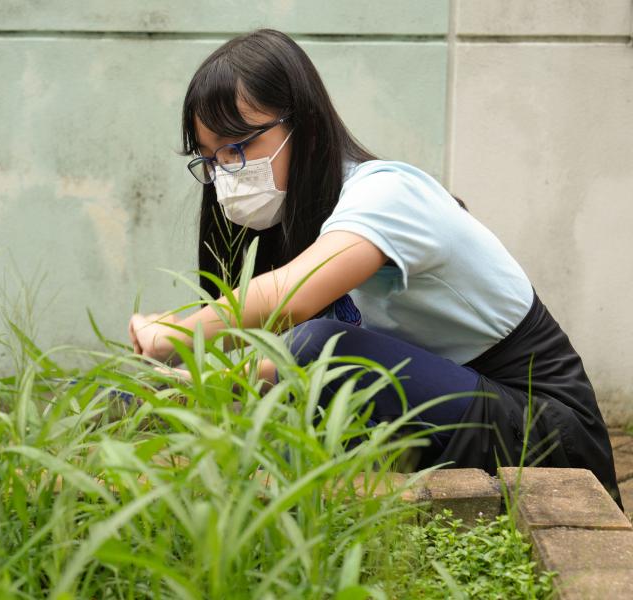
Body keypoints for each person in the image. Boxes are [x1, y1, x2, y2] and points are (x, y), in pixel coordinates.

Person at [127, 29, 621, 506]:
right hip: (460, 405)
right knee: (295, 391)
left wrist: (174, 332)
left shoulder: (386, 194)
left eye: (238, 148)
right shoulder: (308, 221)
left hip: (548, 435)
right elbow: (296, 367)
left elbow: (295, 304)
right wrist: (195, 384)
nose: (225, 176)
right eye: (211, 160)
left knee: (324, 348)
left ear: (303, 124)